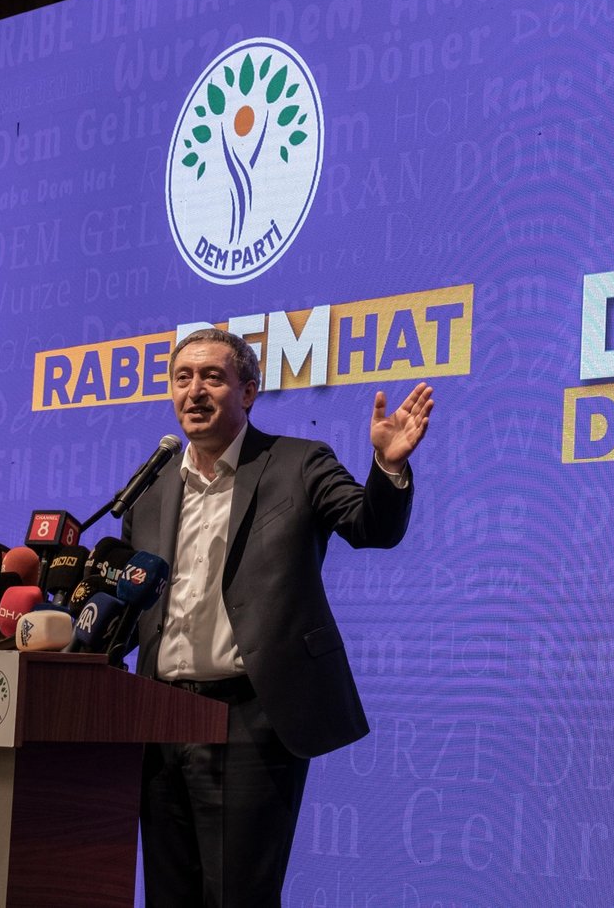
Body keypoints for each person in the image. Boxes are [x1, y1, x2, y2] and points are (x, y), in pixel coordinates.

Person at [122, 327, 433, 907]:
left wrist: (387, 468)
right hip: (160, 720)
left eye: (212, 377)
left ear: (248, 392)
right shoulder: (151, 487)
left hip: (249, 720)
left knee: (240, 896)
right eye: (183, 378)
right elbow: (125, 603)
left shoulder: (298, 463)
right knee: (168, 895)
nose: (195, 391)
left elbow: (371, 527)